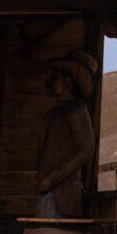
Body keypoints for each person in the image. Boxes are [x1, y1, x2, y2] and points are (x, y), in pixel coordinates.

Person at [35, 56, 96, 218]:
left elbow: (86, 149)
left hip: (64, 193)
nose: (52, 80)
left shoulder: (76, 110)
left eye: (58, 76)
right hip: (47, 191)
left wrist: (53, 177)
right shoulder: (53, 114)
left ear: (69, 83)